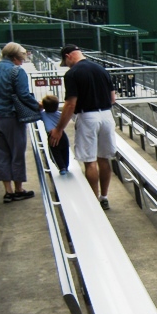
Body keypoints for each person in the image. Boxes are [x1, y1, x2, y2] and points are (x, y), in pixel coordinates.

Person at [49, 45, 116, 210]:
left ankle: (93, 201)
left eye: (66, 62)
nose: (67, 65)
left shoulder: (73, 73)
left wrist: (58, 129)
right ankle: (104, 197)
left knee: (89, 160)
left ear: (68, 56)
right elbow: (112, 98)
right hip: (107, 115)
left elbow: (70, 104)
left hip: (87, 116)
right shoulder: (101, 69)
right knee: (104, 158)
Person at [0, 42, 38, 203]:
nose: (22, 61)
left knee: (0, 154)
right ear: (15, 57)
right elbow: (23, 95)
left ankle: (7, 191)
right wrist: (38, 106)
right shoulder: (17, 71)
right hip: (10, 117)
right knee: (17, 152)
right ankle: (19, 189)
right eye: (21, 58)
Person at [39, 94, 69, 175]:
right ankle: (66, 165)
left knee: (55, 153)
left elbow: (38, 109)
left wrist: (41, 105)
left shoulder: (43, 114)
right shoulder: (60, 114)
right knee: (65, 151)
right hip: (62, 134)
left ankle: (62, 168)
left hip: (52, 136)